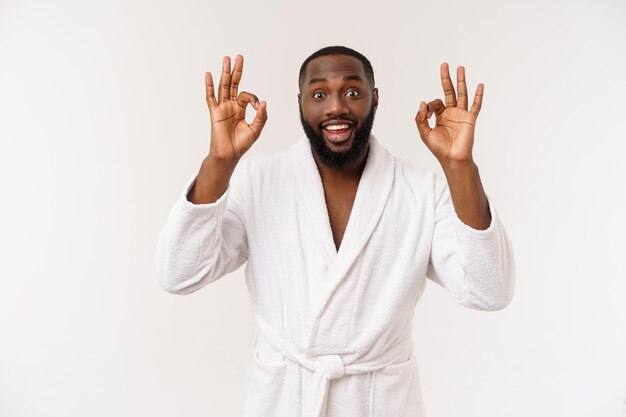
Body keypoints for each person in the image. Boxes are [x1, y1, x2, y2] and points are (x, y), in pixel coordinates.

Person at [156, 45, 515, 417]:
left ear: (374, 100)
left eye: (352, 92)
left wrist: (460, 168)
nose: (336, 107)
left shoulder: (421, 191)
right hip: (284, 400)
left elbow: (490, 291)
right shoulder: (258, 182)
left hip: (380, 403)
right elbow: (179, 273)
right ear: (300, 104)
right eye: (318, 94)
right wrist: (219, 163)